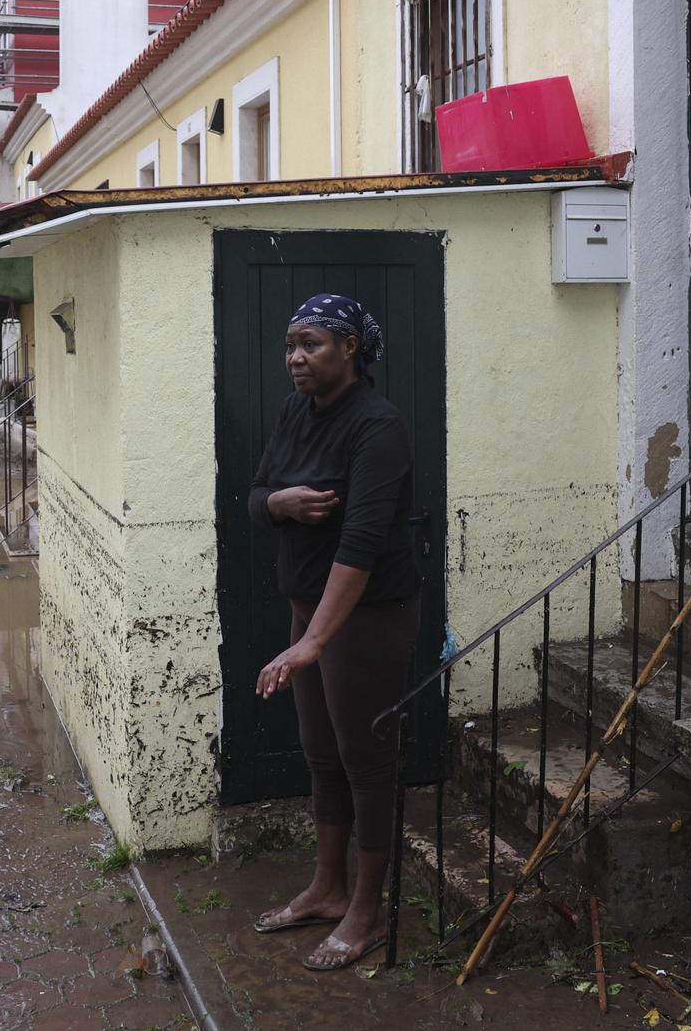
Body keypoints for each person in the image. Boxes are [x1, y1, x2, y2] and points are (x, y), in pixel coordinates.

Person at [246, 291, 421, 972]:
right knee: (321, 752)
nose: (295, 357)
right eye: (290, 343)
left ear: (350, 348)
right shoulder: (297, 411)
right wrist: (281, 503)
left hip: (368, 616)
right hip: (308, 610)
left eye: (311, 342)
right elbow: (257, 494)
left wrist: (315, 638)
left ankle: (368, 910)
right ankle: (326, 886)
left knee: (366, 760)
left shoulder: (378, 427)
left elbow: (363, 542)